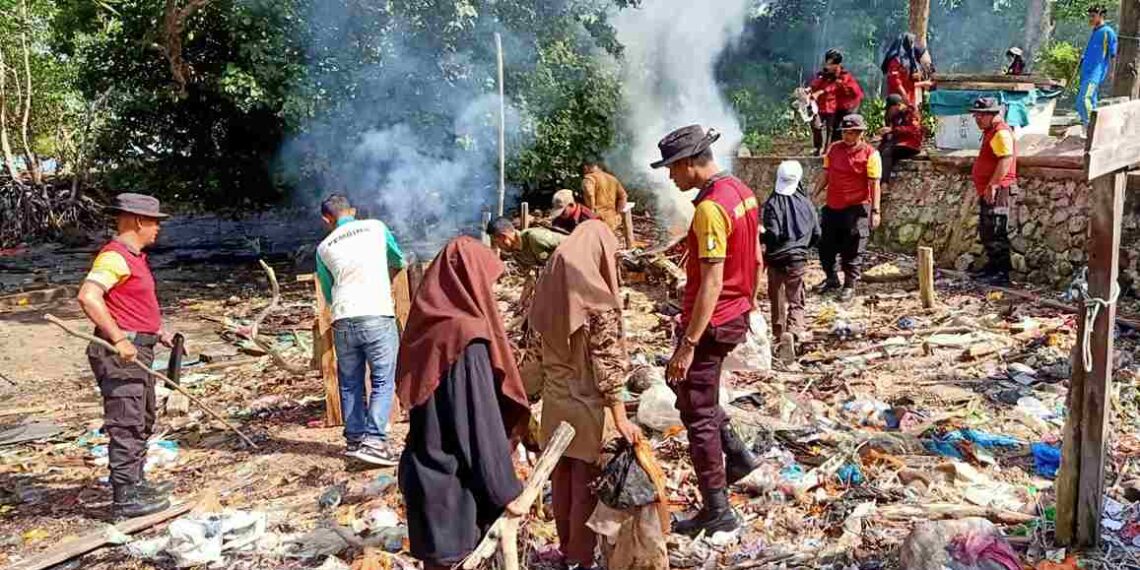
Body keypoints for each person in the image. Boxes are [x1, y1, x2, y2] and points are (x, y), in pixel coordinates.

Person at [651, 125, 761, 537]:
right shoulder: (741, 192)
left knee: (696, 413)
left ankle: (718, 509)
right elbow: (756, 258)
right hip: (734, 312)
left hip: (711, 322)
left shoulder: (711, 209)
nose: (670, 177)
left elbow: (712, 281)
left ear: (687, 164)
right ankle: (737, 456)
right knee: (693, 394)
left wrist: (687, 344)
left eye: (671, 169)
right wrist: (748, 302)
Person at [396, 237, 531, 570]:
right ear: (469, 281)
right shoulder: (465, 338)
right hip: (453, 488)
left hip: (427, 474)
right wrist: (506, 490)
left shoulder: (429, 326)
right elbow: (475, 423)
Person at [529, 220, 642, 570]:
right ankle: (580, 556)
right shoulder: (598, 300)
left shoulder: (544, 292)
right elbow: (608, 365)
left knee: (560, 480)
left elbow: (532, 357)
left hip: (554, 406)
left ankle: (566, 550)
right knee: (584, 485)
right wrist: (621, 417)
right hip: (588, 408)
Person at [77, 193, 176, 519]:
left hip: (139, 349)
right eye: (154, 222)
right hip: (121, 354)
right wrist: (119, 338)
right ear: (137, 221)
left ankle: (137, 483)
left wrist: (157, 332)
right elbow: (89, 296)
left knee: (143, 418)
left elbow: (133, 306)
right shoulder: (114, 257)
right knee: (126, 423)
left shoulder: (135, 257)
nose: (158, 229)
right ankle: (125, 499)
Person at [316, 194, 406, 466]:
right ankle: (375, 441)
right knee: (382, 380)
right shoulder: (376, 228)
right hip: (376, 313)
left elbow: (328, 290)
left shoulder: (323, 247)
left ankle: (354, 439)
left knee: (351, 382)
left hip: (343, 317)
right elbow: (398, 259)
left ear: (326, 219)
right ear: (352, 212)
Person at [814, 114, 882, 302]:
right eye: (845, 132)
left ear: (860, 134)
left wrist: (875, 211)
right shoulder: (833, 149)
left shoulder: (871, 154)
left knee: (853, 249)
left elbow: (874, 184)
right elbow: (826, 174)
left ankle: (849, 285)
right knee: (825, 246)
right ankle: (831, 278)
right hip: (833, 206)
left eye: (852, 133)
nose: (847, 136)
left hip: (857, 208)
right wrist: (815, 193)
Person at [763, 161, 820, 364]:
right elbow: (816, 233)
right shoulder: (806, 203)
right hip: (797, 259)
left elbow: (773, 233)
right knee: (796, 299)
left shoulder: (772, 204)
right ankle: (793, 333)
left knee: (777, 298)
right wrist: (803, 247)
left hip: (776, 258)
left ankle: (779, 336)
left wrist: (762, 238)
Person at [969, 97, 1018, 285]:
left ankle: (1001, 272)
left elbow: (1005, 159)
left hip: (999, 189)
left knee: (997, 229)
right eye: (976, 115)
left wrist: (993, 184)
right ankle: (993, 266)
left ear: (992, 115)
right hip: (989, 188)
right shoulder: (992, 132)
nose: (977, 119)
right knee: (988, 229)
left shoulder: (1000, 132)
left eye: (980, 115)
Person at [809, 49, 865, 155]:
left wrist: (820, 92)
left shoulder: (844, 76)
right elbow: (819, 82)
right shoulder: (826, 74)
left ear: (837, 64)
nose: (828, 66)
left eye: (831, 64)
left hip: (851, 104)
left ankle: (856, 149)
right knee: (834, 131)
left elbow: (833, 87)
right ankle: (829, 151)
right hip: (837, 106)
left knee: (847, 126)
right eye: (827, 63)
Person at [1078, 5, 1118, 128]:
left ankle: (1091, 128)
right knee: (1092, 101)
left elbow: (1113, 54)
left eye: (1093, 16)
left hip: (1095, 74)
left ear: (1101, 16)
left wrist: (1112, 73)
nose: (1090, 18)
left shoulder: (1108, 32)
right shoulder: (1095, 31)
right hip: (1086, 72)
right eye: (1089, 15)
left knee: (1083, 100)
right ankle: (1095, 129)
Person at [877, 93, 923, 193]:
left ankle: (884, 184)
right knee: (878, 153)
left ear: (897, 106)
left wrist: (893, 129)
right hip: (897, 143)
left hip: (910, 144)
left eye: (891, 108)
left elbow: (914, 130)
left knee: (887, 152)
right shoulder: (893, 116)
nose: (889, 111)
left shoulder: (910, 113)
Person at [487, 216, 567, 271]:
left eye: (497, 242)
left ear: (504, 237)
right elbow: (529, 275)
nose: (499, 247)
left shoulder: (536, 237)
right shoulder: (517, 254)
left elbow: (572, 244)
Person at [881, 33, 933, 106]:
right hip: (897, 99)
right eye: (910, 42)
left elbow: (909, 83)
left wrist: (923, 83)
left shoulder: (910, 61)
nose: (911, 45)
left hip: (909, 98)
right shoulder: (895, 60)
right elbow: (894, 81)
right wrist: (904, 95)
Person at [582, 160, 629, 233]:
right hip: (611, 219)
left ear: (586, 167)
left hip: (596, 218)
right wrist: (618, 214)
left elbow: (589, 194)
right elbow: (623, 196)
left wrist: (591, 211)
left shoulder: (589, 178)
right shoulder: (612, 179)